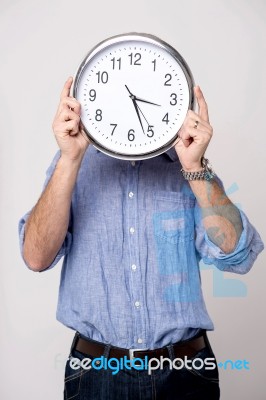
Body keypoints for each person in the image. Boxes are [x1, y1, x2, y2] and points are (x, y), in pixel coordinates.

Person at [19, 77, 263, 400]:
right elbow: (36, 256)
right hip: (96, 378)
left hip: (185, 375)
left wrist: (195, 167)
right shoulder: (73, 164)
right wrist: (68, 160)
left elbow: (239, 254)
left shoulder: (188, 167)